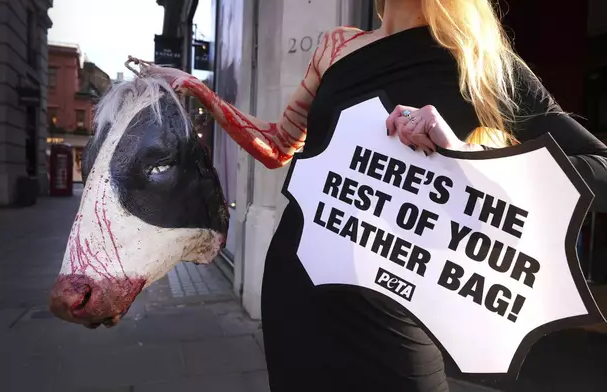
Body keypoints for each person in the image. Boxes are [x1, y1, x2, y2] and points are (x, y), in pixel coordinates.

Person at [137, 0, 607, 390]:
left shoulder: (479, 60)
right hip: (297, 293)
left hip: (395, 313)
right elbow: (278, 145)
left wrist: (466, 157)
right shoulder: (336, 46)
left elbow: (598, 170)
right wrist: (198, 89)